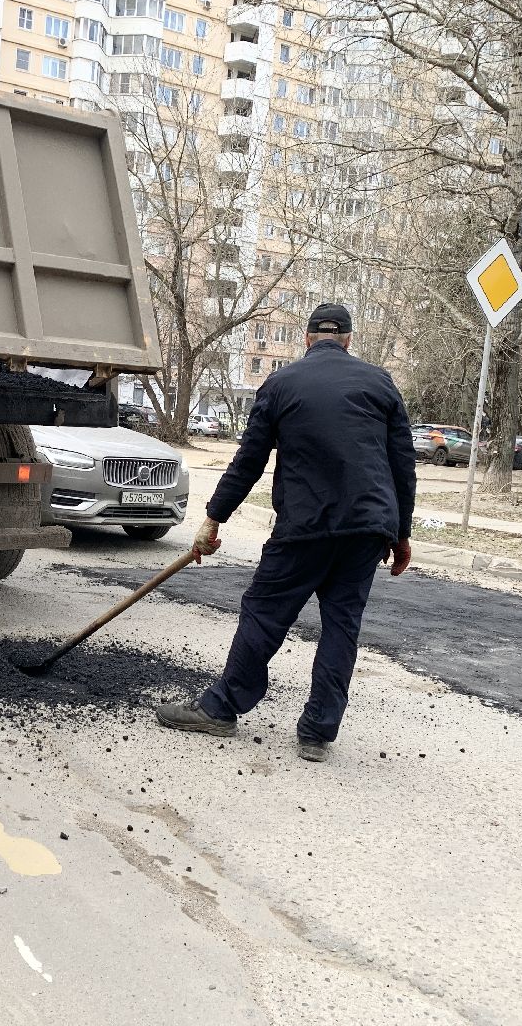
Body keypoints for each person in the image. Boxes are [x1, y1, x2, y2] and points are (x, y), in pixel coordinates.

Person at [157, 303, 416, 762]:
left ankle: (222, 708)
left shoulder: (280, 383)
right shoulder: (381, 383)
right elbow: (402, 466)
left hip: (304, 527)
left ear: (307, 338)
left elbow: (249, 461)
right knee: (342, 625)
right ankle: (317, 733)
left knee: (264, 612)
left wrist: (215, 517)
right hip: (366, 530)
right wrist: (400, 535)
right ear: (349, 340)